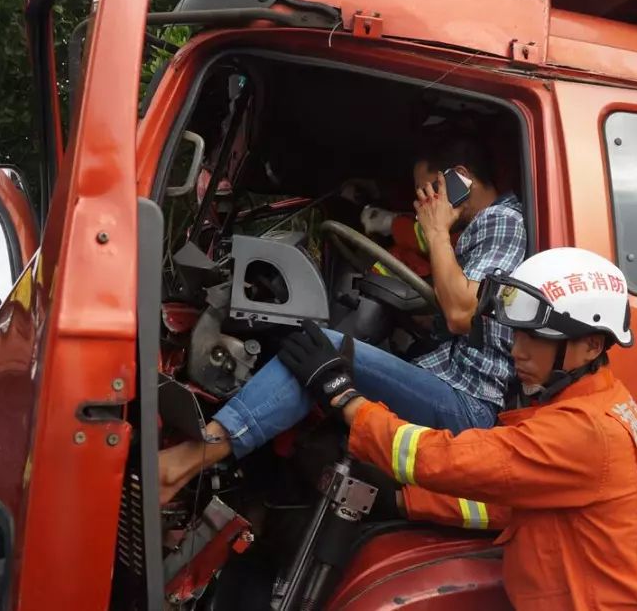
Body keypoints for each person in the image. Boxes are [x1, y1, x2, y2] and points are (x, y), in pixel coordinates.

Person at [281, 247, 637, 610]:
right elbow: (507, 499)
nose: (516, 349)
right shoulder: (599, 404)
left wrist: (345, 399)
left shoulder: (586, 431)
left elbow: (450, 459)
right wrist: (406, 501)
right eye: (517, 334)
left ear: (592, 346)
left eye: (536, 338)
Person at [159, 131, 527, 502]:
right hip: (448, 381)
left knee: (321, 352)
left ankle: (192, 458)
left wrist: (435, 231)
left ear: (461, 177)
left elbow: (462, 313)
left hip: (468, 404)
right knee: (315, 360)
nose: (425, 203)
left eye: (431, 190)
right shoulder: (476, 231)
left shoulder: (502, 221)